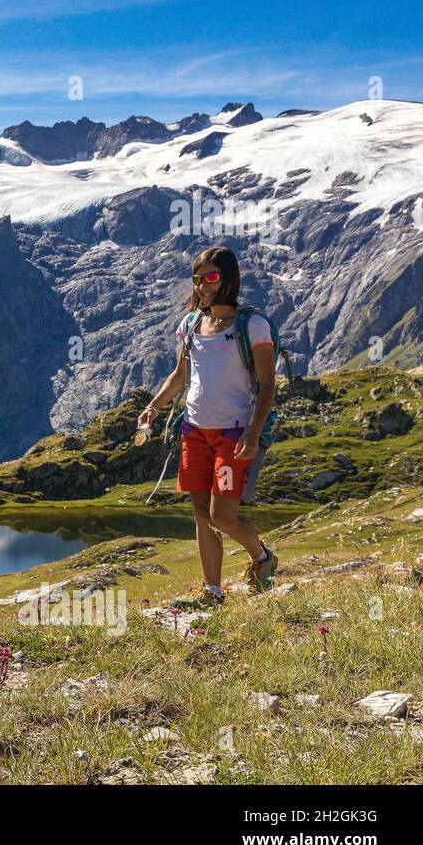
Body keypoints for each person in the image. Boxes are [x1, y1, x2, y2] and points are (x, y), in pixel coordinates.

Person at [138, 247, 279, 609]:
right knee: (202, 513)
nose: (203, 286)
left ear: (229, 278)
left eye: (212, 277)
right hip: (194, 430)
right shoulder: (190, 324)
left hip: (234, 431)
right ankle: (213, 592)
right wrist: (154, 407)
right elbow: (181, 375)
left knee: (222, 515)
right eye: (198, 278)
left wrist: (253, 431)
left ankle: (262, 557)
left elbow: (267, 384)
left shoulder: (253, 326)